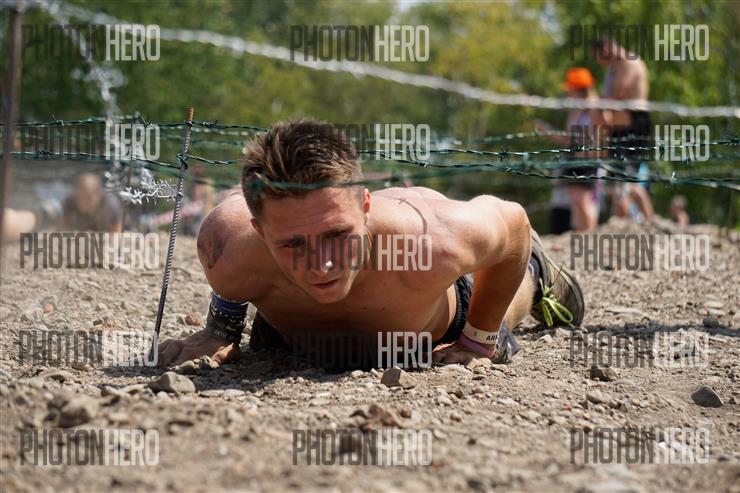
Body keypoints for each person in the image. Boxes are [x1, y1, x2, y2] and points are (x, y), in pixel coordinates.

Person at [157, 120, 585, 369]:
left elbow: (514, 224)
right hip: (294, 332)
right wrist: (221, 330)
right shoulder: (227, 247)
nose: (321, 266)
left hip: (434, 318)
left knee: (502, 300)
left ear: (365, 205)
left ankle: (536, 274)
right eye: (293, 244)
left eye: (336, 235)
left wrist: (477, 340)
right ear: (260, 230)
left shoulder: (435, 242)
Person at [592, 38, 654, 222]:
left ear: (606, 49)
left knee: (629, 182)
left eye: (600, 58)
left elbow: (618, 94)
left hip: (634, 127)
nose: (600, 63)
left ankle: (650, 224)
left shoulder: (629, 63)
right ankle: (623, 225)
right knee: (619, 183)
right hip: (619, 129)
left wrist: (597, 105)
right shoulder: (613, 68)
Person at [536, 68, 604, 232]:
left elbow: (599, 135)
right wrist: (548, 131)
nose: (568, 93)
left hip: (588, 159)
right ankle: (584, 236)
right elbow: (568, 139)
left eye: (570, 89)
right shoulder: (575, 110)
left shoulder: (595, 108)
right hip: (573, 158)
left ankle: (590, 236)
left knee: (583, 200)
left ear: (578, 89)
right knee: (577, 202)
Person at [58, 173, 123, 232]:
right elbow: (62, 226)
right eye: (79, 198)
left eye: (88, 198)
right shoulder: (69, 202)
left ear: (98, 194)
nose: (82, 203)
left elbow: (117, 231)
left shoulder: (111, 205)